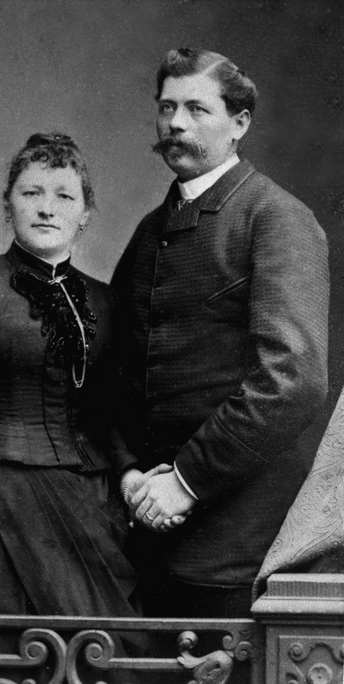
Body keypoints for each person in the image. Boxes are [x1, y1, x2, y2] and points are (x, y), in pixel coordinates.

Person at [0, 132, 158, 626]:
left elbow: (107, 416)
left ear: (85, 213)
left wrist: (128, 475)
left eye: (64, 196)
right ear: (9, 204)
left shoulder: (105, 302)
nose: (46, 208)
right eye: (31, 192)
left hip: (89, 507)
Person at [111, 48, 330, 623]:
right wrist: (129, 472)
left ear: (240, 123)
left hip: (240, 534)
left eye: (196, 109)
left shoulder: (275, 218)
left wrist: (186, 481)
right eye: (166, 107)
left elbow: (293, 381)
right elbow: (117, 373)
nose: (176, 124)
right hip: (145, 524)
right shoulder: (148, 232)